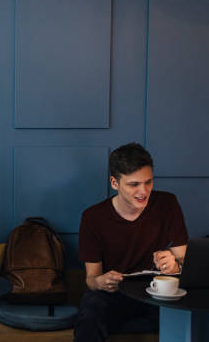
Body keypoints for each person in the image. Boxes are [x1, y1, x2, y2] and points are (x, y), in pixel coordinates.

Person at [74, 143, 188, 342]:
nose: (143, 191)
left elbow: (183, 261)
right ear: (114, 183)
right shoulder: (92, 217)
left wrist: (174, 263)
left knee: (190, 306)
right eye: (133, 184)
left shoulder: (168, 204)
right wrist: (100, 282)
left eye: (148, 182)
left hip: (157, 291)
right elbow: (91, 279)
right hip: (116, 294)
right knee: (92, 305)